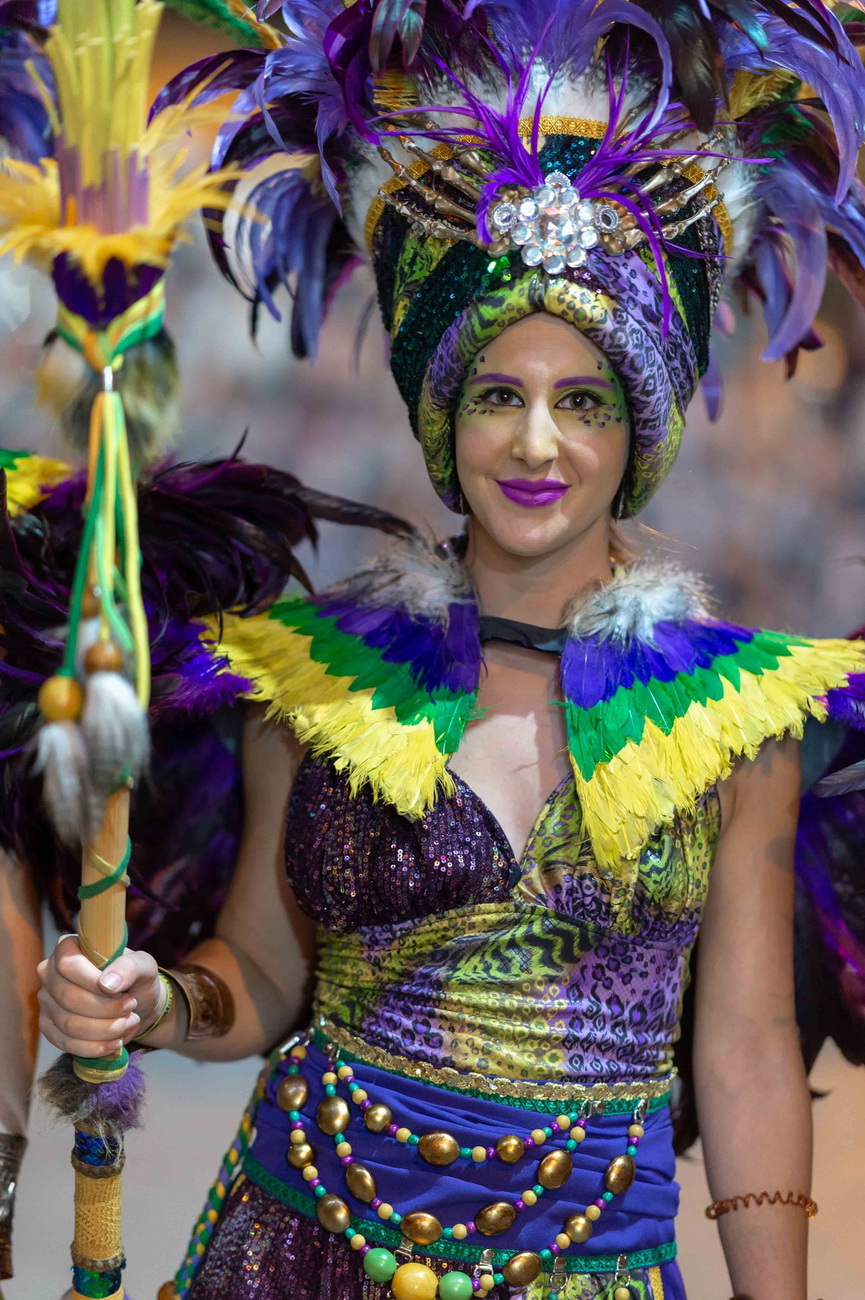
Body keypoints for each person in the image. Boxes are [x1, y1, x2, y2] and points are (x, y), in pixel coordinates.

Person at [30, 2, 865, 1298]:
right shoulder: (319, 681)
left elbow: (746, 1050)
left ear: (639, 430)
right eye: (496, 397)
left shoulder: (731, 717)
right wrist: (158, 1006)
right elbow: (262, 973)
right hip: (300, 1251)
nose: (536, 446)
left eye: (583, 401)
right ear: (442, 418)